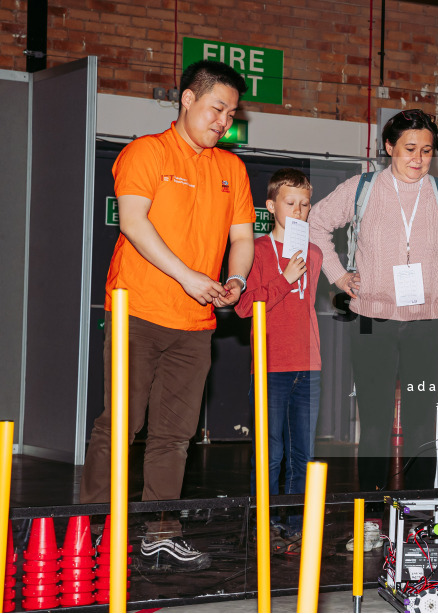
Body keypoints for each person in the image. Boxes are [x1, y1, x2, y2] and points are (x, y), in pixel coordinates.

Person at [80, 60, 255, 570]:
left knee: (175, 435)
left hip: (195, 324)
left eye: (232, 113)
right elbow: (133, 221)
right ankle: (89, 528)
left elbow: (242, 238)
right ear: (186, 99)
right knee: (121, 426)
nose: (224, 121)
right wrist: (187, 275)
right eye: (217, 108)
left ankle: (161, 530)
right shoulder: (146, 152)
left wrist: (236, 281)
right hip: (139, 309)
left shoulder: (232, 169)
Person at [310, 109, 438, 498]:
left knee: (421, 424)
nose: (418, 158)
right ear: (389, 147)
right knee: (374, 423)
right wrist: (337, 275)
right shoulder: (361, 188)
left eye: (427, 150)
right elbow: (315, 224)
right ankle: (369, 512)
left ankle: (418, 512)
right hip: (372, 322)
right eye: (409, 149)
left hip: (429, 323)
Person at [234, 168, 322, 553]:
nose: (298, 211)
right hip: (271, 364)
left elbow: (306, 307)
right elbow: (242, 307)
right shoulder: (254, 248)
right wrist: (285, 278)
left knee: (303, 454)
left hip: (308, 363)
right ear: (270, 207)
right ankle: (263, 525)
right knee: (270, 453)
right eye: (290, 204)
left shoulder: (314, 253)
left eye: (305, 204)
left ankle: (296, 525)